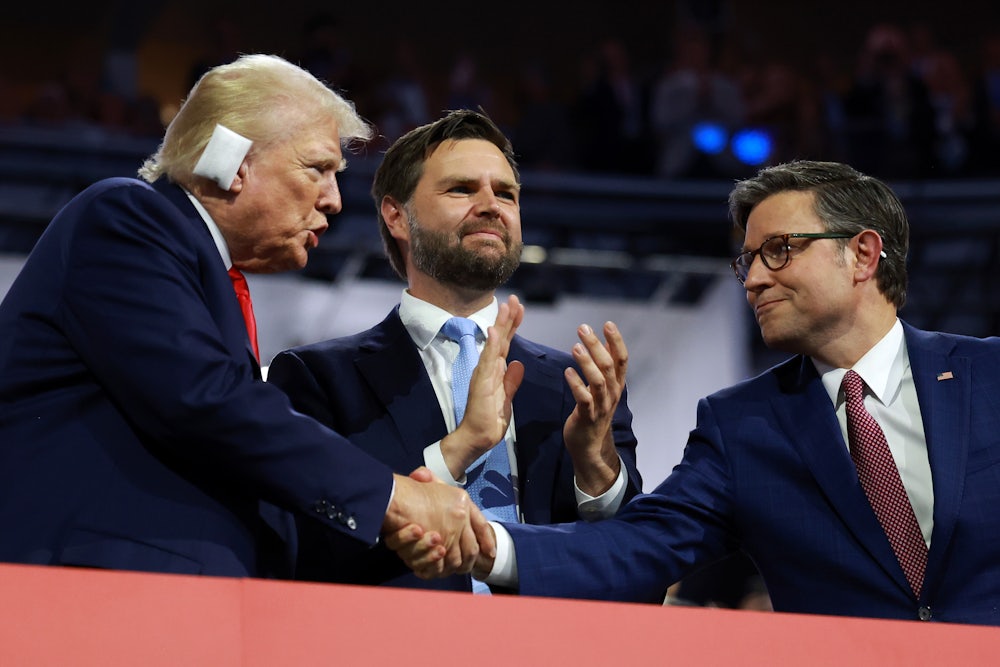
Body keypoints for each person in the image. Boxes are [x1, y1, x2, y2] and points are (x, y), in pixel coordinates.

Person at [395, 159, 1000, 625]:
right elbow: (641, 546)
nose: (755, 278)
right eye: (748, 261)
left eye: (779, 251)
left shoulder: (989, 375)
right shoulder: (743, 426)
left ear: (862, 254)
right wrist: (487, 544)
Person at [0, 54, 490, 579]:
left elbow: (248, 464)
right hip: (90, 599)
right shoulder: (125, 218)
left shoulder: (206, 279)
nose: (334, 200)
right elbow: (207, 401)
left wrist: (431, 473)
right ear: (232, 161)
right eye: (318, 168)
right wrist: (392, 499)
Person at [267, 109, 642, 591]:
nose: (492, 205)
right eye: (462, 189)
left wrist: (595, 464)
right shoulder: (317, 379)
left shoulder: (578, 386)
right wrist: (458, 449)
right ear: (396, 215)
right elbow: (307, 549)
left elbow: (636, 564)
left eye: (506, 193)